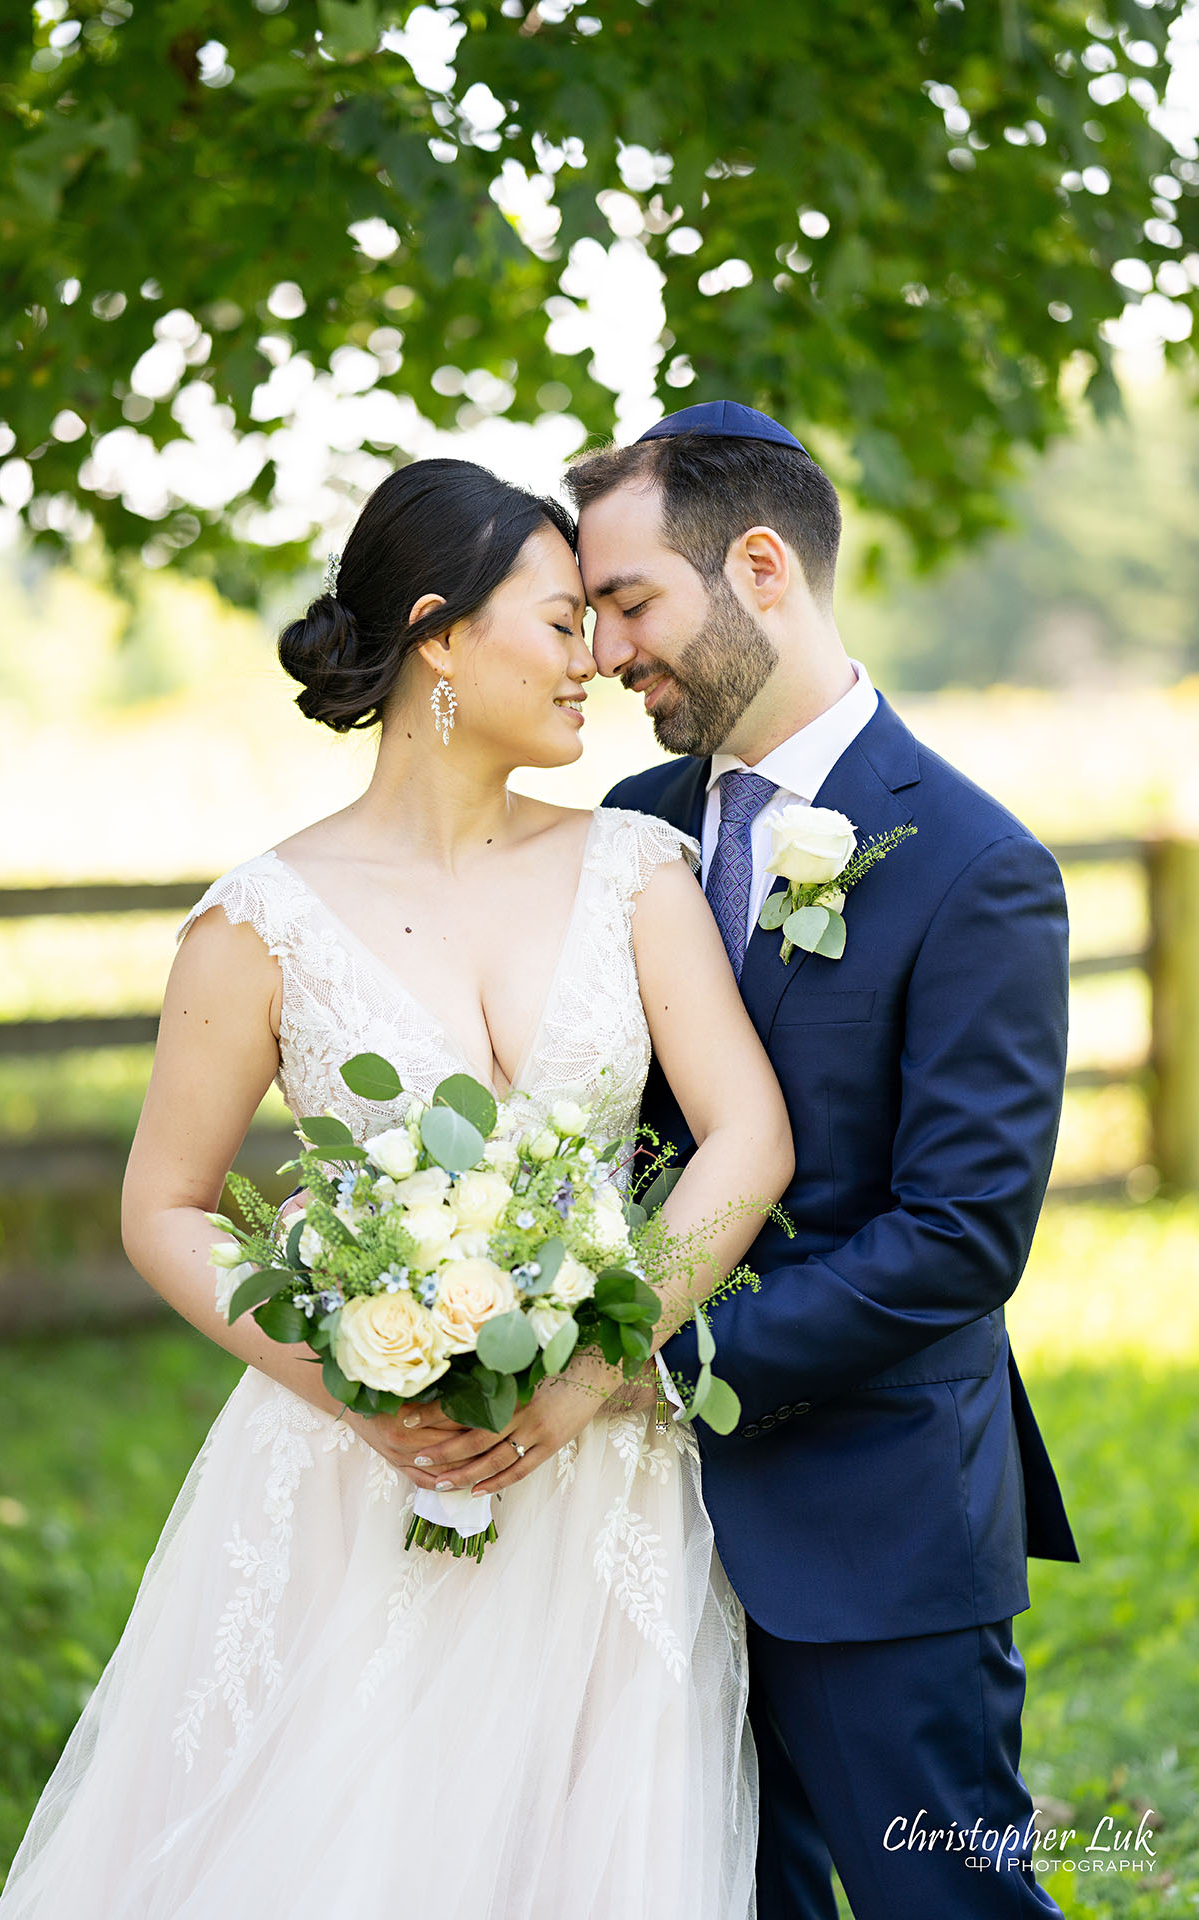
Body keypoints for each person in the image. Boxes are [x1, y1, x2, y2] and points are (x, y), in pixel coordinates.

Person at [0, 456, 793, 1920]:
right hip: (354, 1470)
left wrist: (602, 1366)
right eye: (560, 625)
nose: (597, 666)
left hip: (600, 1467)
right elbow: (164, 1206)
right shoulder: (262, 922)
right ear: (438, 633)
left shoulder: (636, 868)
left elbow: (748, 1138)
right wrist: (353, 1384)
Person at [567, 399, 1079, 1920]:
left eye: (630, 600)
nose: (606, 653)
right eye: (591, 614)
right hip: (636, 1532)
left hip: (876, 1529)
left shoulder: (979, 868)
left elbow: (960, 1236)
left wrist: (651, 1358)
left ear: (764, 568)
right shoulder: (629, 828)